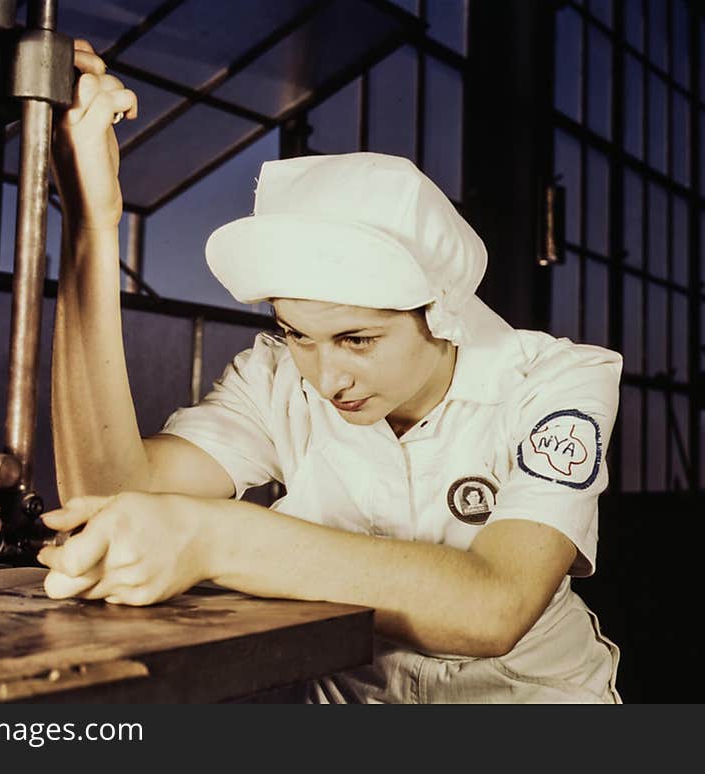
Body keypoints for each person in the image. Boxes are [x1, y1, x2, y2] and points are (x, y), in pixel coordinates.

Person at [39, 40, 623, 704]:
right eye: (296, 336)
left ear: (441, 310)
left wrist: (212, 537)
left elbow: (494, 608)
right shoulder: (275, 380)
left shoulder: (556, 382)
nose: (325, 376)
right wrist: (90, 225)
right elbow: (113, 497)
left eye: (357, 339)